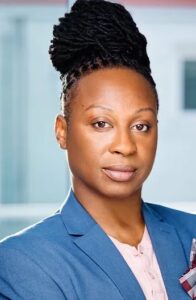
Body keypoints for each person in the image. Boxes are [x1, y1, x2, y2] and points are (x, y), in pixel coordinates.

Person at [0, 0, 195, 299]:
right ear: (62, 132)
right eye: (102, 123)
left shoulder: (190, 232)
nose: (125, 146)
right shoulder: (23, 261)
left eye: (141, 126)